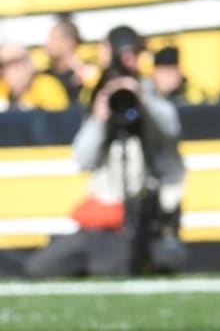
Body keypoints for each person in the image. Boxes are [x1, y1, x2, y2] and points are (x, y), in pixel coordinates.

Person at [23, 25, 186, 278]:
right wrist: (100, 119)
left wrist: (141, 97)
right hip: (103, 224)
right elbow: (81, 159)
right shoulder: (101, 97)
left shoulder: (148, 95)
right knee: (40, 267)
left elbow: (171, 128)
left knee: (151, 259)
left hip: (145, 217)